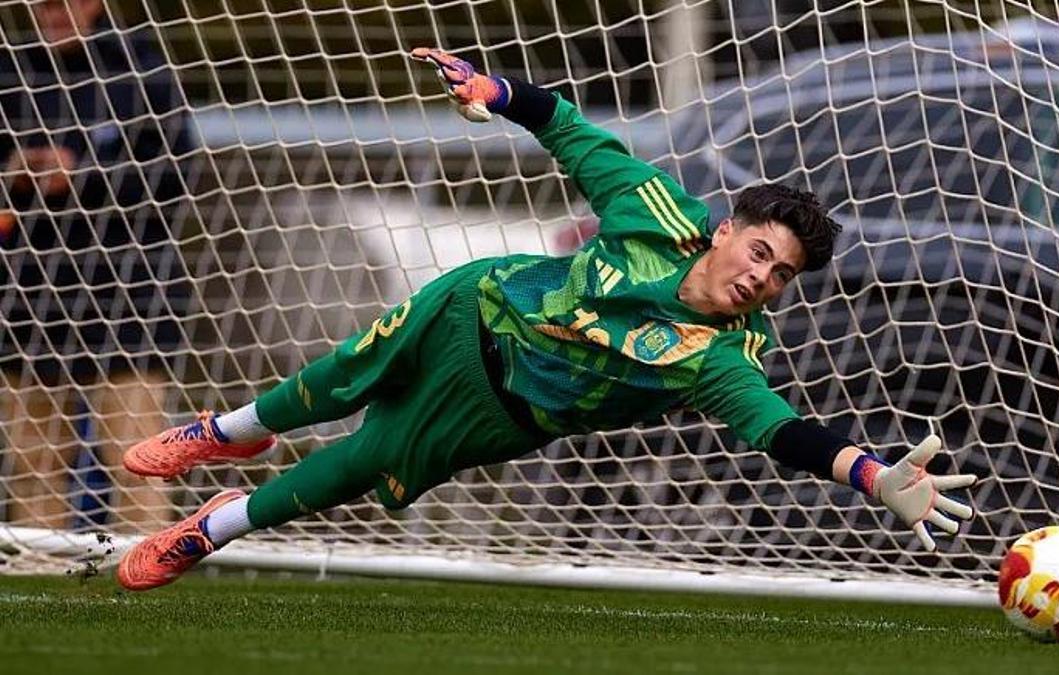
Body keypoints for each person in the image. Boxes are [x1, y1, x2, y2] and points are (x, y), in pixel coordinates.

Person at [115, 48, 978, 591]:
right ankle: (224, 429)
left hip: (500, 413)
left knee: (353, 467)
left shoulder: (721, 356)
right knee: (341, 373)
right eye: (759, 251)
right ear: (725, 230)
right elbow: (566, 127)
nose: (763, 276)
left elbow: (781, 431)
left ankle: (206, 528)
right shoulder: (653, 207)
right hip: (476, 305)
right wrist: (492, 89)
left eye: (781, 274)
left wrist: (870, 475)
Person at [0, 0, 195, 531]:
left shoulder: (144, 73)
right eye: (43, 4)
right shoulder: (11, 72)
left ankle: (148, 568)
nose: (53, 12)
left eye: (66, 2)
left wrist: (83, 175)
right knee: (33, 463)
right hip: (29, 298)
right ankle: (36, 578)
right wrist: (16, 171)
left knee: (137, 459)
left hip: (129, 296)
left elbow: (173, 179)